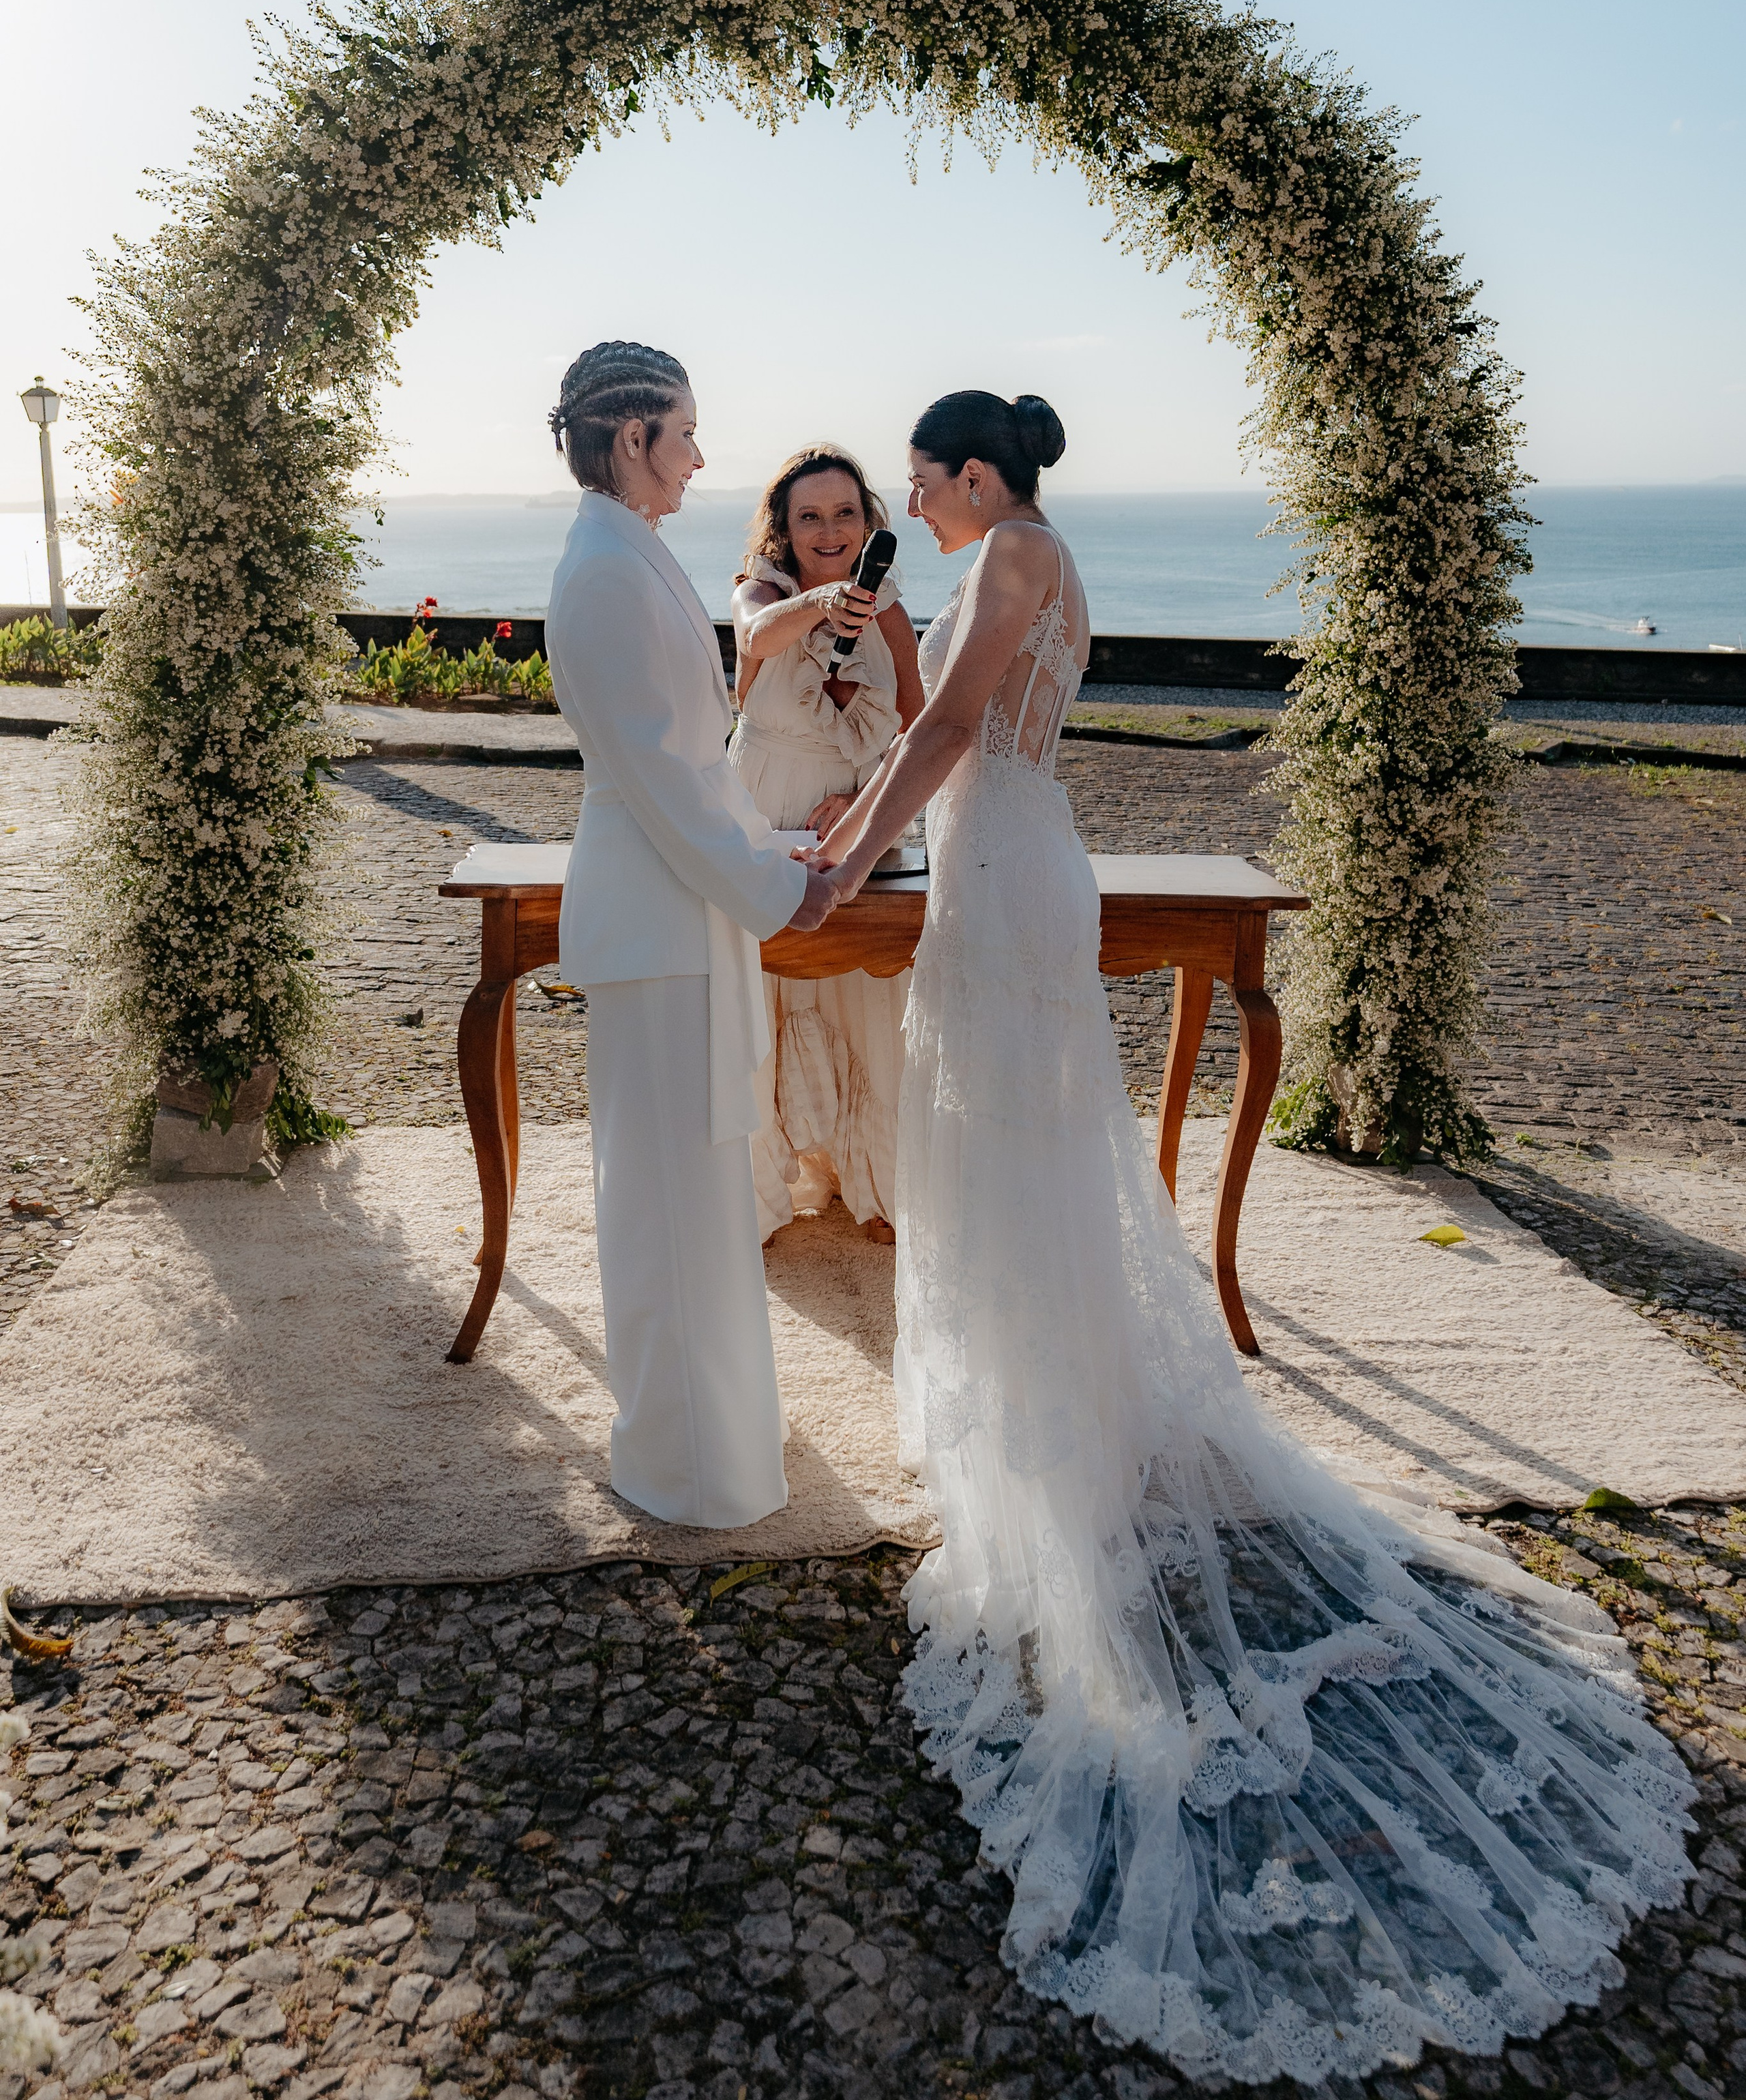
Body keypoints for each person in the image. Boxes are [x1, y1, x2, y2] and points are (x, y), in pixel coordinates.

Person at [814, 390, 1691, 2086]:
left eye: (914, 480)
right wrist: (889, 660)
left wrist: (851, 840)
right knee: (1006, 1154)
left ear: (970, 474)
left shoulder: (1010, 550)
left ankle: (1059, 1440)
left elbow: (944, 749)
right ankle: (1039, 1397)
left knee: (1017, 1154)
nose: (903, 502)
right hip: (1001, 852)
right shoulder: (1004, 559)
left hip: (994, 868)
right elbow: (947, 715)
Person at [543, 341, 836, 1530]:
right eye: (686, 433)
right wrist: (780, 891)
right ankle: (688, 1465)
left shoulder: (634, 554)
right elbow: (661, 778)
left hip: (684, 906)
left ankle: (722, 1436)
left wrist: (773, 857)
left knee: (701, 1194)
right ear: (631, 440)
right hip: (657, 921)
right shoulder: (608, 572)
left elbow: (696, 771)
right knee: (667, 1203)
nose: (703, 458)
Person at [728, 445, 924, 1243]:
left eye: (845, 512)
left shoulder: (893, 613)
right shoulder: (761, 591)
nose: (830, 528)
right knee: (761, 989)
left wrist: (865, 793)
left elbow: (918, 721)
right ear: (784, 527)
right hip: (763, 804)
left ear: (868, 520)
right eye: (809, 515)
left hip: (853, 812)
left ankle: (870, 1184)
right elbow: (758, 634)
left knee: (863, 991)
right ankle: (759, 1192)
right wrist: (826, 601)